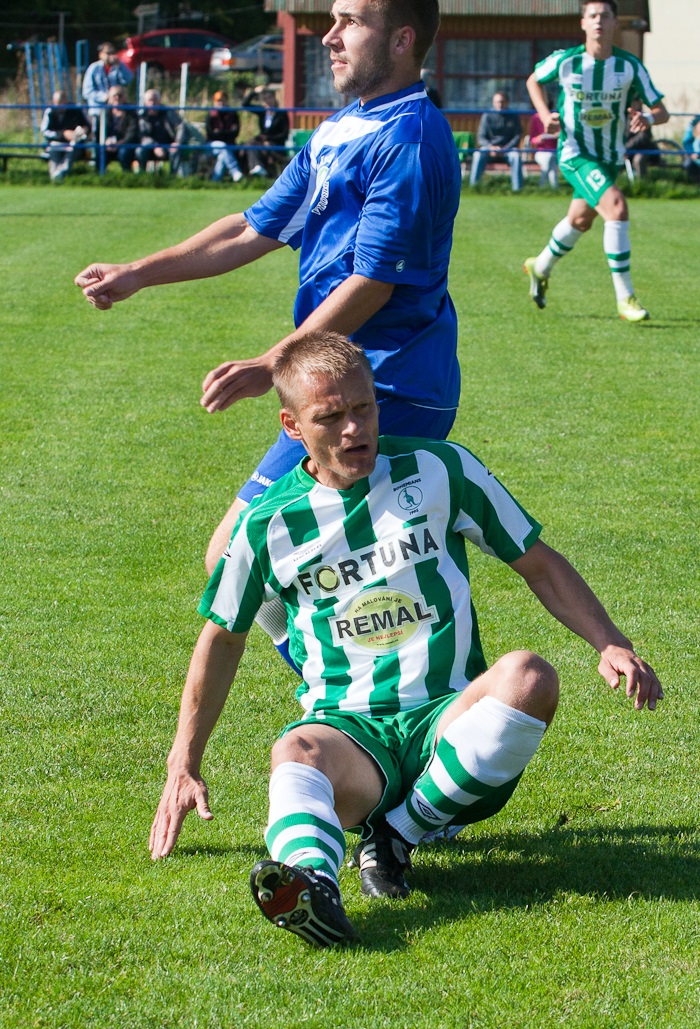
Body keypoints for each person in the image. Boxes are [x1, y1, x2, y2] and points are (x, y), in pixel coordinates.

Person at [148, 334, 662, 949]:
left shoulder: (441, 469)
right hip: (350, 736)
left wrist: (610, 642)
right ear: (292, 427)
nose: (353, 429)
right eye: (330, 417)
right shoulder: (267, 524)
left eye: (363, 408)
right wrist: (184, 763)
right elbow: (222, 639)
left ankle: (398, 834)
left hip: (450, 725)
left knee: (529, 676)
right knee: (295, 749)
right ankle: (312, 887)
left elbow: (538, 563)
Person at [74, 0, 461, 626]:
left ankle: (387, 682)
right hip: (340, 383)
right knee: (262, 565)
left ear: (401, 40)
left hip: (391, 387)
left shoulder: (408, 140)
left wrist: (272, 362)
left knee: (271, 563)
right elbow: (253, 227)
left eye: (350, 22)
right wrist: (138, 273)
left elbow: (374, 284)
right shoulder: (344, 127)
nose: (330, 37)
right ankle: (349, 679)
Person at [523, 0, 668, 322]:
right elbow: (533, 80)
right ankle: (625, 298)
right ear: (583, 23)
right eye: (593, 16)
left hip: (610, 158)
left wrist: (646, 117)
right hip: (575, 154)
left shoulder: (629, 66)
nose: (599, 21)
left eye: (605, 16)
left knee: (580, 221)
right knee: (616, 208)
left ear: (616, 22)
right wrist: (545, 115)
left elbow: (662, 111)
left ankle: (540, 266)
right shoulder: (567, 61)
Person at [469, 91, 524, 192]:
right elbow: (481, 137)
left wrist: (506, 148)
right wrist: (491, 147)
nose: (500, 104)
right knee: (478, 154)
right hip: (489, 149)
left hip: (508, 149)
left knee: (516, 156)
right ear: (493, 103)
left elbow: (517, 136)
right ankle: (474, 188)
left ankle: (517, 190)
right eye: (497, 102)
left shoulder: (514, 116)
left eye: (502, 102)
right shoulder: (487, 116)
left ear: (507, 102)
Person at [82, 42, 134, 134]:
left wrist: (120, 65)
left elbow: (129, 79)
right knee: (97, 134)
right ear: (101, 54)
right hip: (98, 110)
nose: (111, 56)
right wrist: (104, 97)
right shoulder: (94, 68)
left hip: (115, 111)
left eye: (113, 53)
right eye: (108, 53)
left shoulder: (118, 67)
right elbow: (87, 92)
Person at [40, 90, 90, 182]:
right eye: (57, 103)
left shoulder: (76, 110)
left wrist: (83, 130)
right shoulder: (50, 111)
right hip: (56, 142)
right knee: (53, 149)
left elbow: (87, 127)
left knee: (74, 148)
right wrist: (63, 135)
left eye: (62, 103)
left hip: (74, 143)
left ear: (66, 100)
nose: (60, 106)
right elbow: (45, 131)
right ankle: (55, 176)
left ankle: (61, 173)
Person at [241, 87, 290, 177]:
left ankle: (262, 169)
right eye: (265, 99)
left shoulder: (281, 114)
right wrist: (254, 92)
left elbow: (284, 134)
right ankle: (257, 167)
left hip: (275, 143)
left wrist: (268, 139)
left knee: (267, 147)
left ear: (274, 99)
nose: (268, 101)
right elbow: (245, 104)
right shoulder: (263, 112)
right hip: (262, 142)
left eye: (270, 98)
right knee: (249, 144)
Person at [136, 88, 181, 173]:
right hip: (150, 146)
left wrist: (177, 142)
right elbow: (142, 136)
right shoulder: (142, 117)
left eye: (155, 100)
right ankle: (141, 176)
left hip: (169, 145)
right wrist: (155, 146)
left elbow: (181, 126)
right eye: (150, 100)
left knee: (176, 150)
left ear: (159, 101)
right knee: (140, 151)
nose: (152, 103)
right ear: (145, 102)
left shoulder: (169, 113)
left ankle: (173, 177)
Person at [205, 91, 243, 182]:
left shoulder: (233, 114)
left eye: (223, 100)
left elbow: (235, 133)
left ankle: (215, 180)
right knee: (223, 146)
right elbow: (210, 134)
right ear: (214, 102)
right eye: (218, 101)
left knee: (223, 154)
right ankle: (235, 171)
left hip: (230, 144)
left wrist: (219, 132)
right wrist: (227, 133)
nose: (221, 103)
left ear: (227, 101)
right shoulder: (210, 115)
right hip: (212, 145)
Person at [102, 86, 139, 172]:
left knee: (124, 153)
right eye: (114, 96)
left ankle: (127, 175)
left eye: (120, 95)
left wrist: (119, 144)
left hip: (126, 143)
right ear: (109, 98)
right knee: (100, 151)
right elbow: (100, 131)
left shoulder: (131, 112)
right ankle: (100, 175)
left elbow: (132, 132)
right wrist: (106, 141)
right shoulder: (104, 113)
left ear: (124, 97)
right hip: (109, 144)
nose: (117, 98)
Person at [624, 97, 660, 179]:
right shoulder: (625, 117)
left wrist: (627, 147)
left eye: (636, 102)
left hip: (646, 149)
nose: (634, 105)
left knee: (638, 160)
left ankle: (642, 183)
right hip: (629, 150)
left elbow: (643, 138)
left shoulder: (644, 118)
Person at [528, 108, 558, 189]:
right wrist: (539, 139)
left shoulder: (555, 117)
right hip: (541, 152)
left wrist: (557, 135)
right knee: (549, 159)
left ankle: (545, 186)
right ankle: (550, 186)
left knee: (551, 159)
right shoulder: (536, 117)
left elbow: (562, 134)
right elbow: (532, 139)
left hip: (554, 151)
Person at [681, 115, 700, 184]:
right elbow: (686, 142)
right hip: (694, 154)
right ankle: (696, 182)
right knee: (688, 164)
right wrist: (691, 153)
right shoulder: (694, 122)